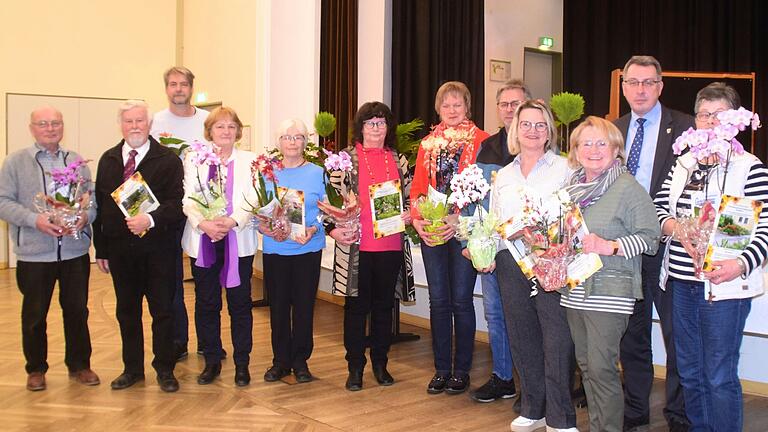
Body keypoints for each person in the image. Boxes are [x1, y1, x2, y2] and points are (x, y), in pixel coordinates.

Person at [654, 82, 767, 431]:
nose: (710, 122)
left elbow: (763, 231)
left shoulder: (749, 167)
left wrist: (738, 264)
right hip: (681, 284)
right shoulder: (684, 163)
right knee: (689, 373)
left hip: (724, 288)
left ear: (735, 120)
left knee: (718, 375)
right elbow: (659, 208)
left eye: (719, 115)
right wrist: (676, 227)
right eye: (704, 115)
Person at [560, 116, 661, 432]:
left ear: (616, 148)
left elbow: (651, 237)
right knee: (588, 367)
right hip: (574, 288)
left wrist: (611, 245)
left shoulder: (627, 187)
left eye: (601, 143)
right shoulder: (571, 188)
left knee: (602, 367)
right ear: (575, 150)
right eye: (585, 143)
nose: (593, 149)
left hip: (611, 291)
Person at [613, 55, 694, 432]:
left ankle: (678, 414)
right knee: (632, 337)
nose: (640, 89)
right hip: (627, 248)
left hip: (671, 248)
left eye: (648, 82)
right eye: (633, 82)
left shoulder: (688, 130)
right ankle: (635, 411)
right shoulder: (614, 130)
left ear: (660, 86)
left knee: (677, 336)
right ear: (623, 86)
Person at [491, 100, 577, 432]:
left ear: (549, 132)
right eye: (525, 124)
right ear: (515, 130)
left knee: (557, 338)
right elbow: (497, 221)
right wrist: (485, 250)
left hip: (551, 261)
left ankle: (560, 416)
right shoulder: (504, 175)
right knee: (522, 335)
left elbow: (573, 216)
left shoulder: (564, 168)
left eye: (540, 125)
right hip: (511, 262)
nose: (532, 130)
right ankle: (532, 407)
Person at [0, 106, 99, 391]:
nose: (50, 128)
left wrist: (84, 217)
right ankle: (36, 369)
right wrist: (35, 220)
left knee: (77, 311)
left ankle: (80, 365)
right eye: (43, 123)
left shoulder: (77, 161)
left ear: (62, 126)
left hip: (74, 252)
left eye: (56, 123)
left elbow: (91, 202)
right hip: (34, 253)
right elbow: (3, 202)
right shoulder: (16, 162)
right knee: (34, 315)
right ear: (32, 128)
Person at [93, 100, 183, 393]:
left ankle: (165, 369)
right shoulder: (108, 159)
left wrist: (150, 219)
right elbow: (101, 207)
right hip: (121, 252)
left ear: (149, 124)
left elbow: (178, 205)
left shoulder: (167, 159)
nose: (134, 126)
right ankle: (132, 369)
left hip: (159, 251)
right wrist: (102, 249)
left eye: (140, 121)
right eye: (129, 121)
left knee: (163, 311)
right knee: (126, 312)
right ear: (121, 125)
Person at [326, 102, 415, 391]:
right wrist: (333, 227)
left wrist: (410, 212)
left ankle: (380, 363)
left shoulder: (399, 160)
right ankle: (355, 368)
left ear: (388, 128)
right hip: (356, 247)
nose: (376, 128)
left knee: (383, 308)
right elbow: (329, 202)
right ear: (360, 127)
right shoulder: (344, 160)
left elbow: (413, 196)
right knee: (355, 309)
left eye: (381, 122)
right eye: (370, 122)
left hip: (390, 244)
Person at [410, 82, 488, 395]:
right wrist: (419, 222)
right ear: (438, 109)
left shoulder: (482, 140)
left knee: (461, 300)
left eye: (458, 104)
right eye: (446, 105)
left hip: (464, 230)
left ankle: (462, 370)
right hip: (433, 231)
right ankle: (442, 368)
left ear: (467, 107)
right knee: (439, 301)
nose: (452, 110)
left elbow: (487, 191)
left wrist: (460, 219)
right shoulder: (428, 143)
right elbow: (416, 189)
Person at [181, 107, 258, 387]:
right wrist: (204, 224)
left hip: (238, 242)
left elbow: (253, 197)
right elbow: (188, 198)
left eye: (230, 126)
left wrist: (233, 220)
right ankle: (212, 360)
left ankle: (242, 364)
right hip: (203, 240)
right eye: (219, 126)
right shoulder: (195, 158)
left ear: (238, 131)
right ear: (209, 131)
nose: (225, 131)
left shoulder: (251, 161)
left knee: (240, 305)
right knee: (207, 303)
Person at [466, 79, 529, 403]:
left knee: (528, 316)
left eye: (516, 104)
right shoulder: (487, 147)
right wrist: (473, 240)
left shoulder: (539, 146)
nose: (510, 110)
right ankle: (503, 377)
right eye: (504, 104)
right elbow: (475, 199)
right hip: (494, 249)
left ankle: (532, 385)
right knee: (495, 313)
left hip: (530, 249)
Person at [150, 66, 210, 362]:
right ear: (166, 88)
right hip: (168, 209)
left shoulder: (206, 121)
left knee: (205, 278)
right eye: (173, 84)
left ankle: (208, 341)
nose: (178, 89)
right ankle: (177, 339)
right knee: (172, 278)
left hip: (202, 207)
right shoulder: (156, 122)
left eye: (183, 84)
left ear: (191, 87)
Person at [260, 119, 325, 384]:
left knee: (304, 307)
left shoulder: (317, 173)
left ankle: (300, 361)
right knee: (277, 307)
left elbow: (325, 211)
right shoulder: (267, 173)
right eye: (287, 138)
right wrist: (264, 227)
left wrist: (314, 228)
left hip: (307, 248)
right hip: (276, 249)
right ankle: (280, 362)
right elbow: (259, 210)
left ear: (305, 142)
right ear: (279, 142)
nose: (292, 142)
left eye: (298, 137)